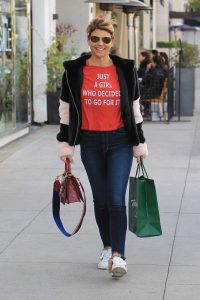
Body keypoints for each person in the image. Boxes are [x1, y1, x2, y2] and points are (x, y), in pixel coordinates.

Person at [56, 15, 148, 279]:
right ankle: (107, 248)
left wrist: (139, 143)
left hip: (120, 140)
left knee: (116, 198)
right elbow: (65, 110)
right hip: (91, 142)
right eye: (95, 39)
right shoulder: (74, 71)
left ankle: (119, 256)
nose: (100, 44)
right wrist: (66, 145)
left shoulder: (124, 69)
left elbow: (134, 109)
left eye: (105, 39)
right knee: (101, 200)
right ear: (88, 39)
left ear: (112, 42)